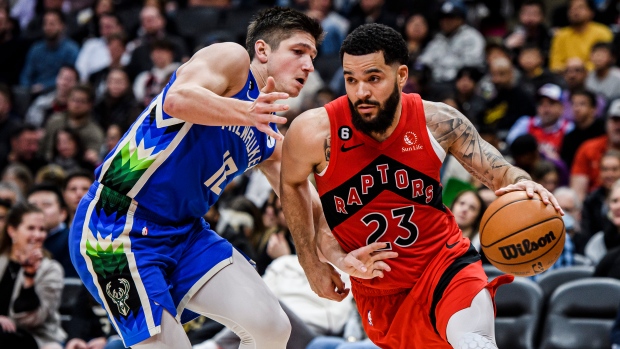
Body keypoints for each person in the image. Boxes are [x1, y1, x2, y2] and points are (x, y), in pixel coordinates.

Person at [69, 7, 385, 349]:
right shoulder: (232, 60)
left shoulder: (268, 136)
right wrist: (246, 111)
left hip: (184, 234)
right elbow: (177, 99)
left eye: (312, 57)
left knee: (271, 327)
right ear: (262, 50)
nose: (309, 65)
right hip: (115, 224)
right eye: (298, 52)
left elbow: (305, 202)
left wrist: (329, 259)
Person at [281, 24, 564, 349]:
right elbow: (292, 187)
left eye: (373, 78)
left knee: (476, 342)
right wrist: (313, 262)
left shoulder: (438, 121)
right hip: (379, 291)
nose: (361, 93)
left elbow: (500, 172)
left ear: (401, 75)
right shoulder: (314, 132)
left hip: (444, 264)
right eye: (351, 79)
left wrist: (526, 186)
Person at [0, 203, 66, 349]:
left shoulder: (51, 269)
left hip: (37, 338)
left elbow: (32, 320)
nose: (38, 235)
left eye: (42, 229)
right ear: (12, 231)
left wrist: (29, 276)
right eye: (31, 228)